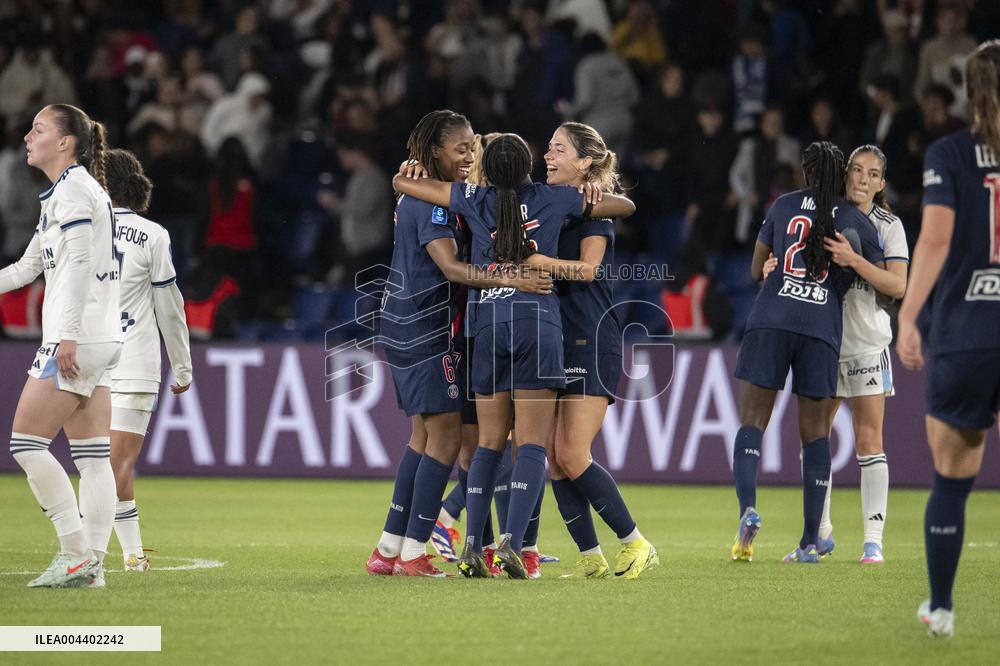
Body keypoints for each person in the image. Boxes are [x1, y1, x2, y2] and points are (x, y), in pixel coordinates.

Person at [392, 133, 636, 578]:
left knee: (486, 444)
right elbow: (626, 207)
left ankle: (472, 545)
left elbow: (409, 188)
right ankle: (516, 544)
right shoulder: (556, 198)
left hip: (485, 323)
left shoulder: (474, 197)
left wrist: (407, 174)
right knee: (531, 445)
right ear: (527, 168)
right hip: (536, 325)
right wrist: (591, 193)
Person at [365, 111, 552, 578]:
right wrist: (512, 277)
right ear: (434, 152)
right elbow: (450, 268)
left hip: (409, 323)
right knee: (446, 440)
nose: (470, 156)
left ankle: (389, 548)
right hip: (430, 329)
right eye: (461, 148)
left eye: (474, 148)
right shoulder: (432, 203)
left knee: (423, 437)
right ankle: (413, 552)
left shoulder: (424, 189)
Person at [729, 141, 884, 564]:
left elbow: (755, 268)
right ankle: (810, 542)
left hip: (772, 317)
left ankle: (747, 509)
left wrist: (768, 268)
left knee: (752, 423)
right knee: (815, 435)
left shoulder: (783, 206)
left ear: (804, 170)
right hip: (821, 328)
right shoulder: (854, 219)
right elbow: (883, 283)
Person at [897, 40, 1000, 639]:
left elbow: (934, 241)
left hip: (967, 334)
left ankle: (941, 608)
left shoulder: (951, 153)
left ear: (968, 87)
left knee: (953, 482)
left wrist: (908, 317)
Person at [763, 145, 908, 563]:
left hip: (865, 344)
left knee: (868, 440)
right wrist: (774, 268)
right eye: (856, 170)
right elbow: (791, 261)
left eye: (873, 173)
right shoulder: (823, 216)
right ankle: (819, 534)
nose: (862, 178)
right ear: (844, 176)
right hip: (823, 341)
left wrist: (852, 259)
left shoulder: (888, 226)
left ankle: (873, 542)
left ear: (881, 184)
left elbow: (896, 286)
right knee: (814, 440)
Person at [1, 104, 120, 588]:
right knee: (92, 457)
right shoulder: (67, 193)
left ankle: (74, 552)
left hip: (77, 337)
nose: (28, 136)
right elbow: (30, 268)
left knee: (26, 444)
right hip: (102, 337)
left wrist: (65, 335)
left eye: (39, 129)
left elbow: (76, 270)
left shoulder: (73, 191)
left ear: (66, 143)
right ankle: (91, 564)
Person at [543, 121, 659, 579]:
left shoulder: (597, 215)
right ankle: (590, 556)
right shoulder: (551, 206)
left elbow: (588, 271)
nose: (547, 156)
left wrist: (538, 264)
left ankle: (636, 543)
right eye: (547, 148)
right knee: (554, 455)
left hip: (592, 338)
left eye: (558, 150)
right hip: (557, 335)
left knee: (572, 453)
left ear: (584, 162)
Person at [102, 148, 193, 572]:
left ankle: (93, 555)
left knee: (106, 466)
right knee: (114, 465)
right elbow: (169, 307)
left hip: (89, 361)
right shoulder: (152, 234)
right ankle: (130, 554)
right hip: (134, 364)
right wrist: (181, 362)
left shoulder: (78, 231)